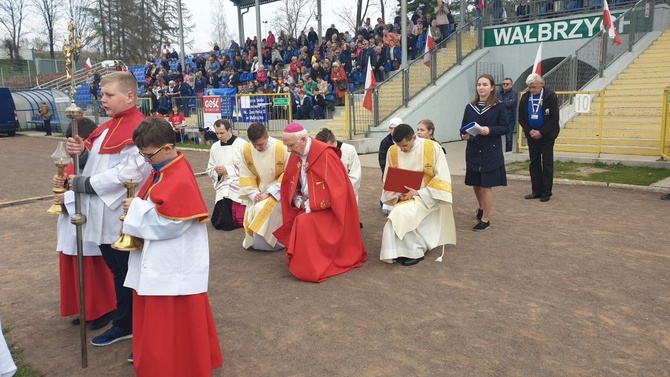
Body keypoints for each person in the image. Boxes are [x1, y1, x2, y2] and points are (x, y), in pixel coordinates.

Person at [121, 118, 222, 374]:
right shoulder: (164, 169)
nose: (146, 161)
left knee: (169, 319)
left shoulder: (177, 176)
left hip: (173, 260)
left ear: (167, 148)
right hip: (163, 256)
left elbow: (173, 223)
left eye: (148, 156)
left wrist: (135, 209)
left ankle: (172, 366)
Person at [65, 72, 152, 349]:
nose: (103, 99)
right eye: (102, 95)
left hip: (120, 213)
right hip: (101, 213)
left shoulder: (141, 129)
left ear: (129, 96)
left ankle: (128, 324)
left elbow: (130, 174)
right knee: (118, 270)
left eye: (109, 95)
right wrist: (80, 152)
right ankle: (124, 318)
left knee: (127, 270)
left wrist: (87, 184)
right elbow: (96, 161)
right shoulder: (105, 128)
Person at [273, 123, 366, 282]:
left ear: (303, 139)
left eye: (291, 145)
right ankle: (305, 261)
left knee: (303, 223)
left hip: (331, 210)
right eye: (286, 146)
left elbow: (339, 191)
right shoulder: (296, 154)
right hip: (307, 204)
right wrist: (297, 199)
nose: (289, 150)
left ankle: (310, 267)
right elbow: (290, 183)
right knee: (298, 219)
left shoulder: (326, 155)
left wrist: (311, 205)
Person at [54, 118, 115, 330]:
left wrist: (68, 198)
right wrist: (60, 187)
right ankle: (84, 308)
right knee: (75, 265)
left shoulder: (98, 161)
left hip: (87, 220)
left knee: (93, 269)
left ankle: (104, 308)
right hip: (69, 222)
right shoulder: (73, 161)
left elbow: (99, 190)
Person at [380, 124, 456, 265]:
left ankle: (415, 251)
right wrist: (397, 194)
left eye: (405, 145)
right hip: (403, 197)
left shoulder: (432, 148)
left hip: (427, 196)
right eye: (399, 146)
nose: (402, 149)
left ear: (414, 137)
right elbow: (388, 177)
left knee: (402, 213)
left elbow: (442, 178)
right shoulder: (393, 151)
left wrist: (419, 193)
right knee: (398, 212)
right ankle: (399, 251)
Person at [460, 74, 509, 231]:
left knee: (486, 185)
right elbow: (463, 127)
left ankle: (486, 219)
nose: (481, 87)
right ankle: (481, 207)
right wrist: (464, 135)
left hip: (490, 151)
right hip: (474, 150)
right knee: (476, 183)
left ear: (492, 87)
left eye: (485, 84)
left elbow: (506, 127)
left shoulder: (499, 106)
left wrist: (489, 130)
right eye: (479, 84)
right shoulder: (470, 107)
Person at [238, 123, 288, 251]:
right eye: (254, 145)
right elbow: (246, 174)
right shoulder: (247, 150)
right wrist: (254, 194)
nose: (257, 148)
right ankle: (259, 243)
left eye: (260, 144)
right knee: (254, 209)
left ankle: (275, 243)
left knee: (261, 209)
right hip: (258, 192)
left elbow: (288, 175)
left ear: (267, 136)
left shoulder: (281, 148)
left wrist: (269, 193)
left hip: (278, 192)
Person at [518, 73, 559, 202]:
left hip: (546, 135)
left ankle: (546, 192)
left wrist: (541, 132)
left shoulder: (550, 96)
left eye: (534, 87)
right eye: (530, 87)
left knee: (547, 163)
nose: (532, 90)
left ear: (542, 84)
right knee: (534, 163)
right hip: (532, 136)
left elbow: (554, 118)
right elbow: (522, 118)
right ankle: (536, 190)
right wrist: (530, 131)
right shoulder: (525, 98)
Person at [207, 119, 247, 231]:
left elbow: (248, 166)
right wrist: (217, 172)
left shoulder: (242, 145)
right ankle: (224, 220)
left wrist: (228, 170)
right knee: (225, 187)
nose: (219, 136)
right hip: (223, 180)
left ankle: (232, 220)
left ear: (230, 130)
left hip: (239, 180)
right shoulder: (215, 147)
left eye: (222, 133)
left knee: (228, 187)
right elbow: (210, 167)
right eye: (217, 133)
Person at [314, 128, 362, 202]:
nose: (326, 150)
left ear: (335, 140)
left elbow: (355, 176)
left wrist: (340, 192)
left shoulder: (349, 150)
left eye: (329, 146)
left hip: (345, 194)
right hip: (325, 194)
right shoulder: (317, 151)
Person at [379, 117, 403, 215]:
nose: (393, 131)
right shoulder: (385, 142)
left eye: (395, 128)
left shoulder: (406, 139)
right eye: (391, 128)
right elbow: (382, 159)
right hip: (390, 173)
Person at [498, 77, 519, 152]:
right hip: (499, 118)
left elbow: (511, 104)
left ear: (511, 85)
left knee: (509, 138)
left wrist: (501, 103)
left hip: (510, 118)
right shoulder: (498, 93)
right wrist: (503, 103)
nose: (505, 85)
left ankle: (508, 153)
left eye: (507, 84)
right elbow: (495, 103)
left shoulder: (514, 93)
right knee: (496, 136)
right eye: (503, 84)